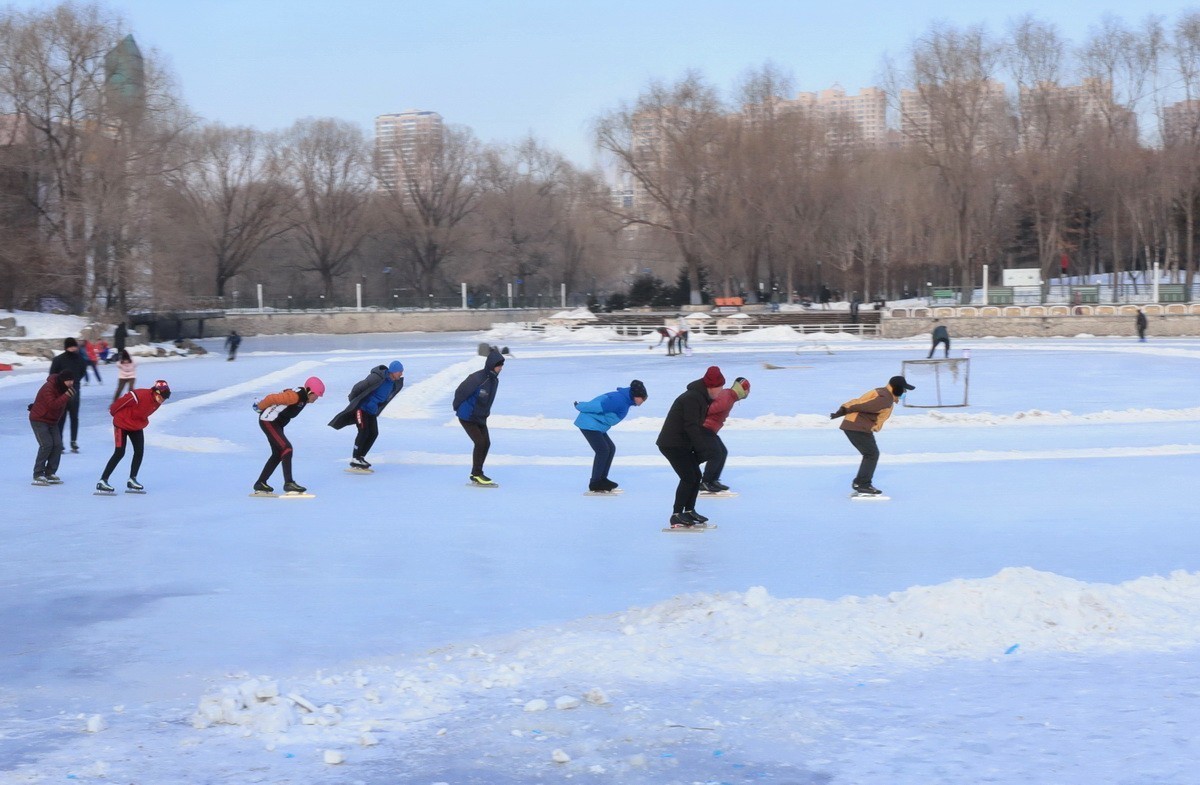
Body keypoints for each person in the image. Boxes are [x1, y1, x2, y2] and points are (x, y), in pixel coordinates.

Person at [656, 365, 725, 529]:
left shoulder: (701, 398)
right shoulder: (693, 398)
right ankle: (676, 515)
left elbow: (695, 427)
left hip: (681, 442)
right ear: (710, 386)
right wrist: (702, 448)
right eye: (719, 388)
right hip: (672, 443)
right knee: (688, 477)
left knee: (695, 475)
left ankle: (689, 510)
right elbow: (691, 426)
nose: (720, 392)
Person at [830, 374, 915, 496]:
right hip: (857, 426)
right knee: (872, 454)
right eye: (904, 389)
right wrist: (844, 410)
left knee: (870, 453)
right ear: (896, 388)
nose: (904, 392)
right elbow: (864, 405)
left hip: (858, 426)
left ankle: (860, 482)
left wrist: (843, 411)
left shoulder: (884, 393)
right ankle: (863, 485)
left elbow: (862, 403)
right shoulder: (885, 398)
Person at [327, 360, 405, 470]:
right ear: (393, 371)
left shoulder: (394, 384)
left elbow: (385, 398)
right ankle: (355, 458)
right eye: (400, 371)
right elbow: (358, 387)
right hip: (361, 408)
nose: (401, 374)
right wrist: (354, 401)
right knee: (363, 431)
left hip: (372, 411)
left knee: (373, 433)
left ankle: (361, 457)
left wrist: (376, 406)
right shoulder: (377, 378)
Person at [252, 377, 325, 494]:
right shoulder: (296, 396)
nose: (316, 399)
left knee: (278, 453)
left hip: (275, 423)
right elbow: (272, 398)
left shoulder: (303, 397)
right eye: (316, 395)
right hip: (269, 421)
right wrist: (259, 406)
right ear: (310, 391)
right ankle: (289, 483)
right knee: (286, 448)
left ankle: (260, 483)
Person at [96, 380, 171, 494]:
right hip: (121, 423)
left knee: (139, 451)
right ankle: (103, 480)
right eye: (161, 397)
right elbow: (119, 404)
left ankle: (132, 479)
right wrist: (114, 413)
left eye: (164, 399)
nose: (162, 400)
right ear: (155, 392)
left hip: (136, 425)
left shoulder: (158, 401)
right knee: (120, 452)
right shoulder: (140, 395)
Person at [574, 379, 648, 492]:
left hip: (597, 425)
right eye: (643, 399)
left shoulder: (625, 400)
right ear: (636, 396)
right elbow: (596, 406)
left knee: (610, 448)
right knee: (603, 450)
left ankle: (602, 479)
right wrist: (581, 406)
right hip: (588, 424)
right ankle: (595, 482)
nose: (643, 401)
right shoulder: (619, 400)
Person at [453, 348, 504, 486]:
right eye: (499, 365)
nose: (501, 368)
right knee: (480, 442)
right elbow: (460, 391)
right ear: (492, 364)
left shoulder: (494, 381)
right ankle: (477, 474)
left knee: (486, 443)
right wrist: (457, 406)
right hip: (467, 416)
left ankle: (476, 473)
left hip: (480, 417)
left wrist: (485, 414)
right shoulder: (477, 378)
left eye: (502, 365)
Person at [699, 376, 750, 493]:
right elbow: (707, 410)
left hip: (709, 429)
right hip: (704, 428)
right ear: (743, 390)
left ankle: (713, 480)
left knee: (723, 452)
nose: (748, 394)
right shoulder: (726, 398)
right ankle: (705, 482)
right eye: (747, 391)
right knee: (716, 453)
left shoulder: (729, 396)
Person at [29, 369, 76, 485]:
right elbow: (52, 405)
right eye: (68, 381)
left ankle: (50, 472)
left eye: (72, 380)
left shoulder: (64, 388)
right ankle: (38, 474)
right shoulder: (49, 387)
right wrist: (66, 396)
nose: (70, 383)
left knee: (58, 445)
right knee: (46, 445)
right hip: (39, 419)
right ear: (62, 380)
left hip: (52, 420)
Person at [49, 337, 89, 453]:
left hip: (75, 390)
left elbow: (82, 372)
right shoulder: (58, 359)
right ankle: (59, 442)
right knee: (61, 417)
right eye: (70, 346)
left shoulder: (80, 359)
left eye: (74, 346)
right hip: (61, 391)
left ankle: (73, 441)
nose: (73, 348)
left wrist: (75, 382)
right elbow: (53, 374)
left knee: (74, 416)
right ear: (66, 347)